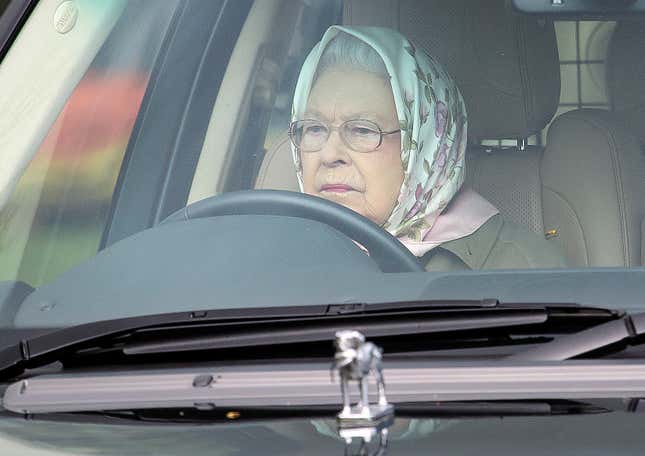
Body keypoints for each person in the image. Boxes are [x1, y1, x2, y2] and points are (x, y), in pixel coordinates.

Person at [288, 26, 566, 270]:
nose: (329, 155)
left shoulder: (520, 268)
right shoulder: (273, 257)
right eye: (314, 128)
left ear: (427, 147)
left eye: (362, 130)